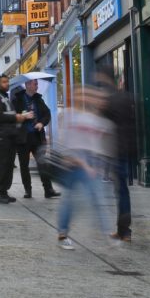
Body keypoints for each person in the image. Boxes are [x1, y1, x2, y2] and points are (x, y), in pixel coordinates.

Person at [53, 85, 113, 250]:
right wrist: (81, 163)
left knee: (94, 198)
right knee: (72, 200)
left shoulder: (93, 118)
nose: (85, 98)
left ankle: (107, 233)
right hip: (74, 161)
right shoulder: (68, 115)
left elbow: (98, 140)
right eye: (81, 94)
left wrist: (98, 162)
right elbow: (65, 141)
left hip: (91, 160)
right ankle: (63, 233)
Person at [100, 66, 136, 241]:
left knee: (120, 190)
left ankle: (124, 230)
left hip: (115, 148)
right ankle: (124, 230)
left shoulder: (109, 99)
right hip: (125, 147)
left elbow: (102, 124)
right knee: (122, 189)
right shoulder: (127, 97)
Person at [11, 83, 59, 199]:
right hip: (23, 138)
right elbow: (12, 117)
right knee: (24, 165)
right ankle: (28, 190)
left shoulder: (38, 99)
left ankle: (48, 190)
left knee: (42, 163)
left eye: (37, 84)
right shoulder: (17, 100)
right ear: (28, 85)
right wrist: (24, 116)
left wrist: (41, 123)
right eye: (35, 84)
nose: (37, 86)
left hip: (37, 136)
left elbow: (47, 114)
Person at [0, 75, 30, 204]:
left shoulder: (4, 96)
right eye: (4, 82)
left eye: (7, 82)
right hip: (1, 134)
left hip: (9, 134)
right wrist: (16, 117)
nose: (7, 84)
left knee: (8, 165)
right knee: (2, 164)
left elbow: (8, 113)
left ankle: (3, 191)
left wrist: (19, 116)